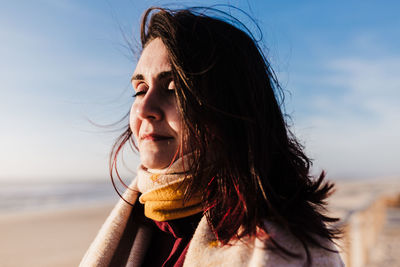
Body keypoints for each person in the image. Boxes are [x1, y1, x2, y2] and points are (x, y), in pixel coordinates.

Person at [80, 7, 344, 267]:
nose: (146, 109)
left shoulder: (286, 251)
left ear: (231, 107)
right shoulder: (143, 221)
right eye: (140, 89)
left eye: (173, 88)